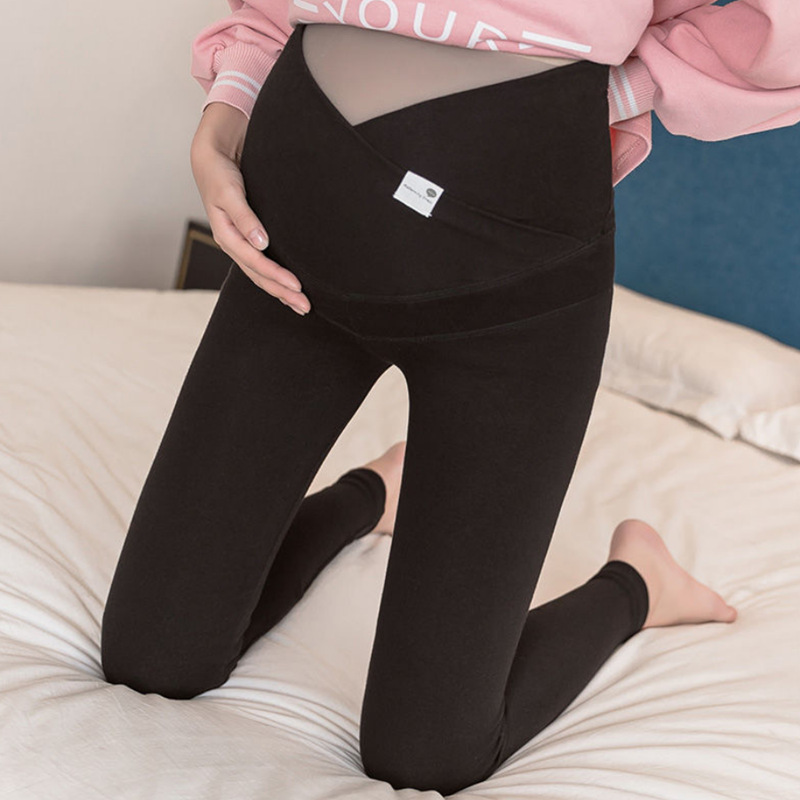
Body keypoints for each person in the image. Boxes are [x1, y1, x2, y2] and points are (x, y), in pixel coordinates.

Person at [102, 2, 799, 794]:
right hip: (291, 253)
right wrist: (225, 114)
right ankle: (373, 493)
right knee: (152, 659)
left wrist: (601, 92)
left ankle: (636, 585)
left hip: (507, 303)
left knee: (426, 757)